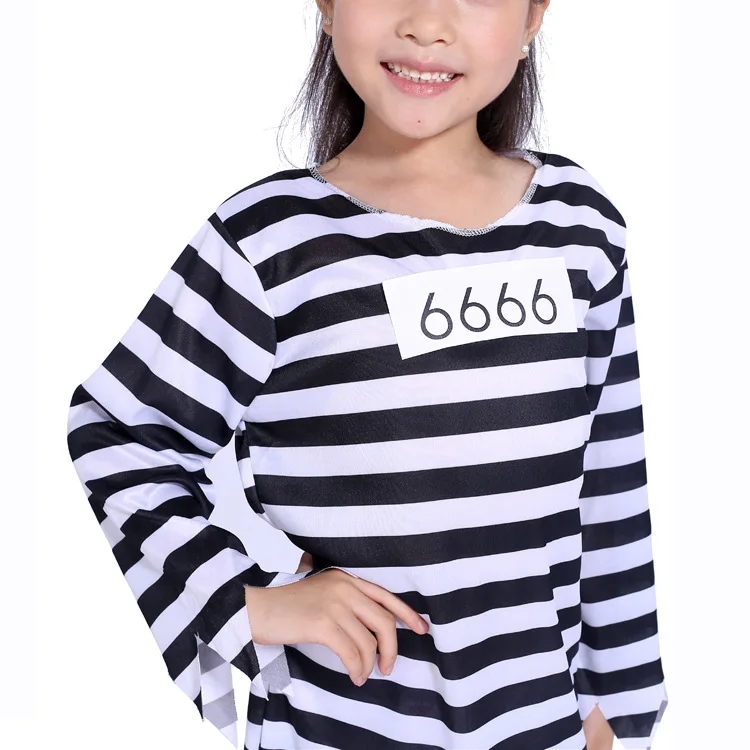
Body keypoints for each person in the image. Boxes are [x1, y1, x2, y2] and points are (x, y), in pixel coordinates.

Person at [65, 1, 668, 749]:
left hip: (540, 724)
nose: (427, 23)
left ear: (533, 17)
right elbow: (118, 431)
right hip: (338, 723)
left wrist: (620, 705)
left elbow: (611, 479)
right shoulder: (271, 243)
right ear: (326, 6)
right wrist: (248, 599)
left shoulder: (580, 228)